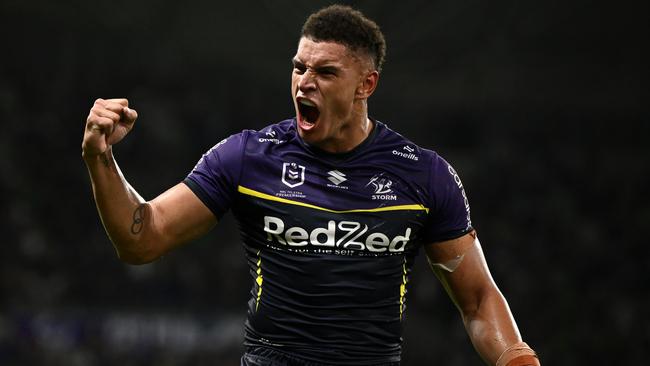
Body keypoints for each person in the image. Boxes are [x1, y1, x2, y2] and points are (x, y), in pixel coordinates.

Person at [82, 5, 539, 366]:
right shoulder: (247, 156)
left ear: (367, 84)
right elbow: (142, 239)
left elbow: (478, 299)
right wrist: (99, 157)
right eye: (300, 67)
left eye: (325, 72)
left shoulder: (424, 175)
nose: (305, 83)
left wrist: (518, 359)